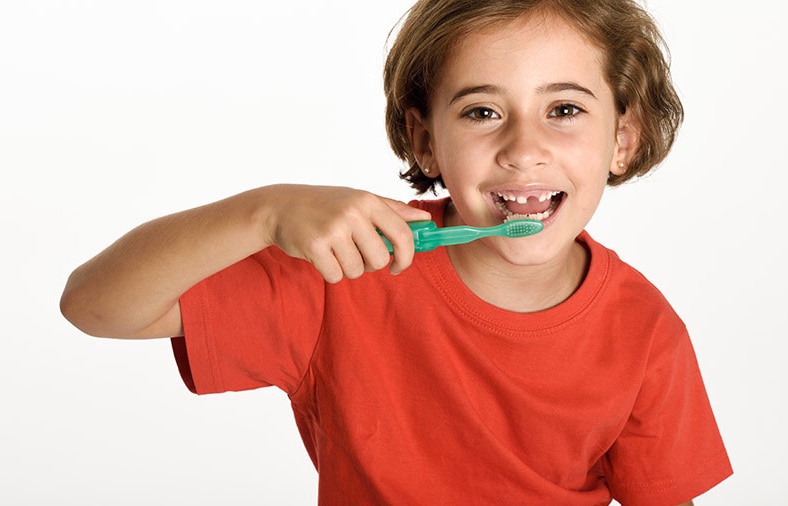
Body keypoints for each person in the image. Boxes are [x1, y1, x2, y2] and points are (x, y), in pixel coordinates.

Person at [60, 0, 732, 504]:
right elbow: (94, 306)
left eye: (564, 110)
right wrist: (263, 212)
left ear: (624, 137)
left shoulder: (646, 331)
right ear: (425, 141)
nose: (524, 148)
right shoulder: (348, 272)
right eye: (481, 111)